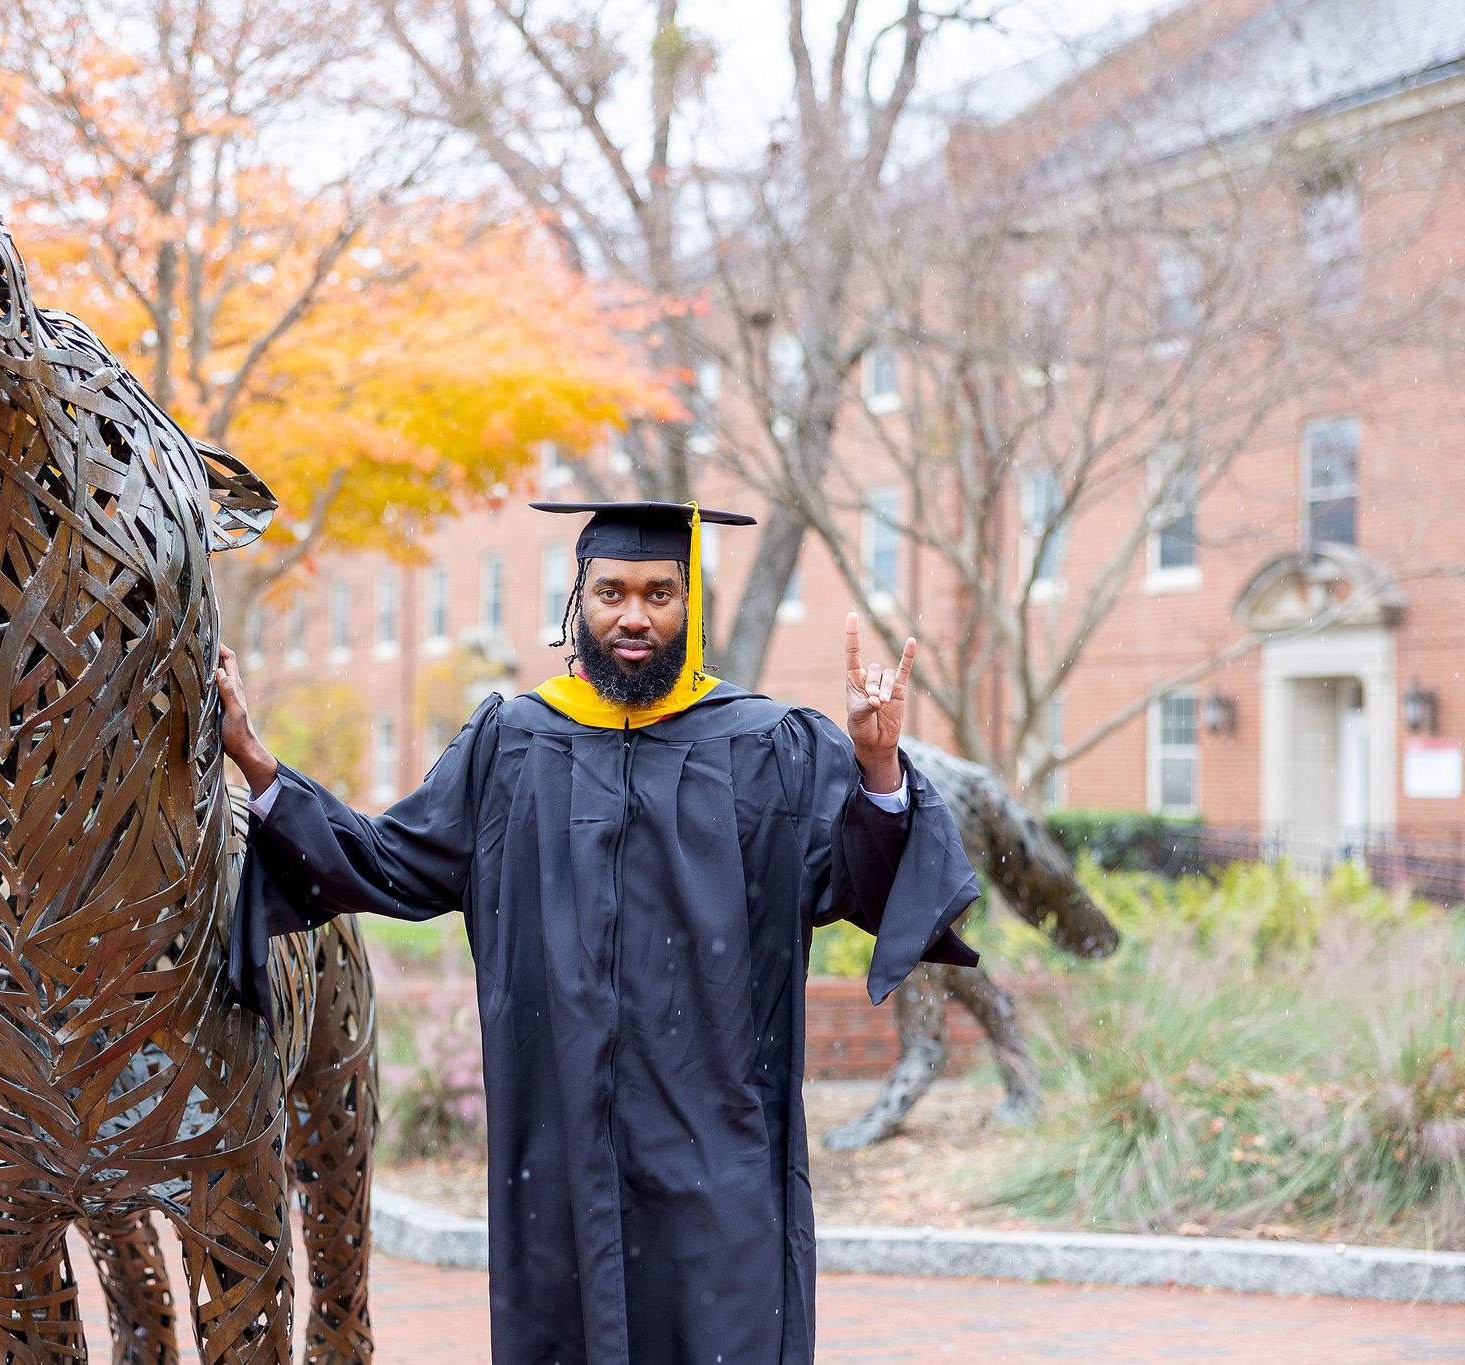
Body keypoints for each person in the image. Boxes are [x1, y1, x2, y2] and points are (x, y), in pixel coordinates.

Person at [215, 500, 980, 1365]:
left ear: (689, 609)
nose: (634, 616)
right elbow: (391, 859)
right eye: (612, 591)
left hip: (717, 1139)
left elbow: (859, 879)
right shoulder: (513, 742)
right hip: (560, 1144)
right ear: (577, 599)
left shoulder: (766, 744)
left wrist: (879, 770)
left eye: (660, 593)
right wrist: (259, 765)